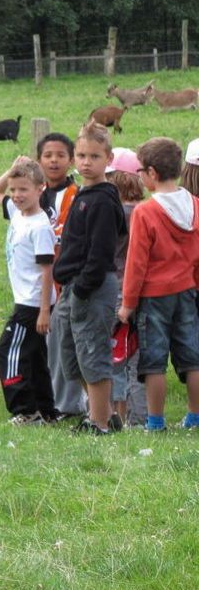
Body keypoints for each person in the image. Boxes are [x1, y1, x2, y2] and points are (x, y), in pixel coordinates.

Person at [116, 137, 199, 432]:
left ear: (150, 173)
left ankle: (155, 421)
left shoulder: (146, 212)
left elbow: (136, 262)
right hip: (187, 291)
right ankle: (194, 416)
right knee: (192, 357)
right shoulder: (195, 204)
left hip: (153, 297)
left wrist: (128, 303)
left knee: (153, 360)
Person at [53, 121, 126, 435]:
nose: (86, 162)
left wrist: (83, 286)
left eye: (94, 156)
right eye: (80, 155)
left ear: (108, 159)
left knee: (93, 354)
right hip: (72, 287)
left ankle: (98, 424)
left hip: (92, 288)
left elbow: (100, 253)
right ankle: (107, 413)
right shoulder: (83, 194)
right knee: (72, 358)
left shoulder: (102, 200)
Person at [0, 157, 58, 425]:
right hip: (28, 301)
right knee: (35, 356)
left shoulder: (40, 226)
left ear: (40, 189)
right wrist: (12, 169)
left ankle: (25, 410)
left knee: (8, 351)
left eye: (23, 189)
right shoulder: (17, 213)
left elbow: (47, 271)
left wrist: (43, 311)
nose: (16, 195)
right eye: (14, 189)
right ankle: (46, 411)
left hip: (31, 304)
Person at [36, 132, 88, 420]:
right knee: (43, 346)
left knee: (63, 345)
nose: (54, 161)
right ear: (38, 160)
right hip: (38, 283)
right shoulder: (31, 192)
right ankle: (46, 397)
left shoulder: (77, 195)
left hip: (65, 281)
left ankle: (68, 404)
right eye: (47, 155)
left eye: (60, 155)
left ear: (71, 161)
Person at [105, 148, 148, 426]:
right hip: (144, 292)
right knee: (138, 359)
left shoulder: (115, 212)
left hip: (116, 291)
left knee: (116, 356)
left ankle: (116, 414)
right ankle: (140, 416)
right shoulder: (145, 211)